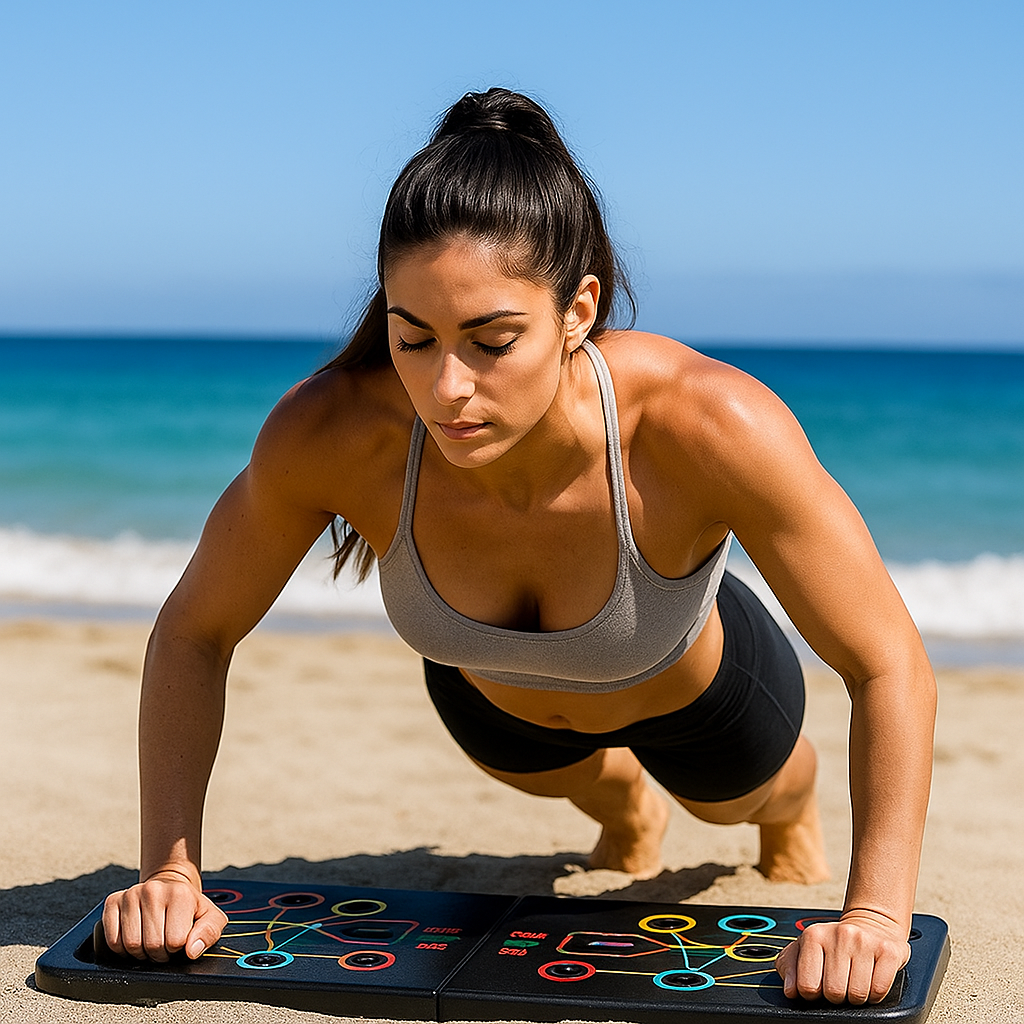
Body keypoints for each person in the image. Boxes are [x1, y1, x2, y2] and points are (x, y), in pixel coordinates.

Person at [101, 88, 935, 1007]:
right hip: (493, 704)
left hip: (690, 683)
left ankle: (784, 816)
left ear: (579, 309)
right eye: (412, 338)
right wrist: (172, 874)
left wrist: (873, 915)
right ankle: (623, 809)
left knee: (734, 802)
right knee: (596, 795)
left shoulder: (707, 421)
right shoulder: (333, 433)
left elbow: (887, 660)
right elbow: (193, 632)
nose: (448, 387)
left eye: (491, 339)